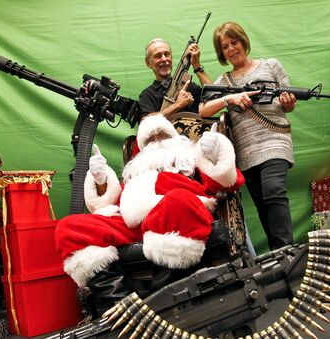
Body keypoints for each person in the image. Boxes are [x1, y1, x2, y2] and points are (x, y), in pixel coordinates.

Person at [54, 114, 244, 317]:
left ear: (175, 137)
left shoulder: (191, 159)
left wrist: (214, 155)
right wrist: (100, 180)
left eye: (162, 136)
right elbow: (107, 204)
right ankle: (120, 309)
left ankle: (161, 299)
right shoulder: (136, 172)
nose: (157, 143)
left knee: (178, 200)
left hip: (177, 214)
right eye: (150, 140)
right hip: (132, 224)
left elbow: (226, 183)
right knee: (69, 227)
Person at [199, 22, 297, 251]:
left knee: (274, 190)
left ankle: (287, 252)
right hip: (246, 150)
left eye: (235, 42)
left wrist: (288, 102)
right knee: (263, 204)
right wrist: (229, 99)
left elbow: (289, 102)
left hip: (275, 139)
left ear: (243, 41)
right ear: (221, 53)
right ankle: (279, 256)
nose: (232, 49)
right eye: (225, 46)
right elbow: (203, 109)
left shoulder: (271, 65)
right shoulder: (224, 82)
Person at [139, 38, 212, 119]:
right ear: (148, 63)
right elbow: (146, 122)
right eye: (158, 56)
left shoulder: (187, 86)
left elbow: (213, 96)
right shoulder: (147, 95)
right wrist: (178, 104)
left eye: (167, 54)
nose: (164, 59)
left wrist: (196, 66)